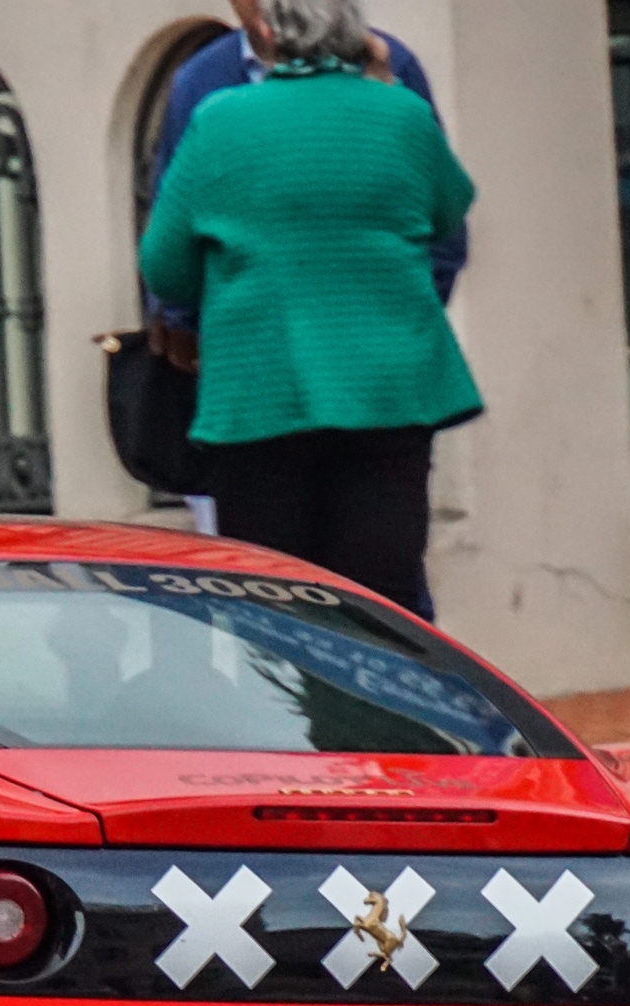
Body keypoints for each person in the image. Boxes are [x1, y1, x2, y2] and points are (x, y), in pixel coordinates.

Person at [138, 0, 480, 621]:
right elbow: (450, 211)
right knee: (384, 597)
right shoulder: (402, 113)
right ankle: (390, 715)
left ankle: (297, 715)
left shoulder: (220, 118)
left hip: (260, 392)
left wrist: (217, 296)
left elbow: (165, 264)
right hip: (388, 390)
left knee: (278, 601)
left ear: (267, 36)